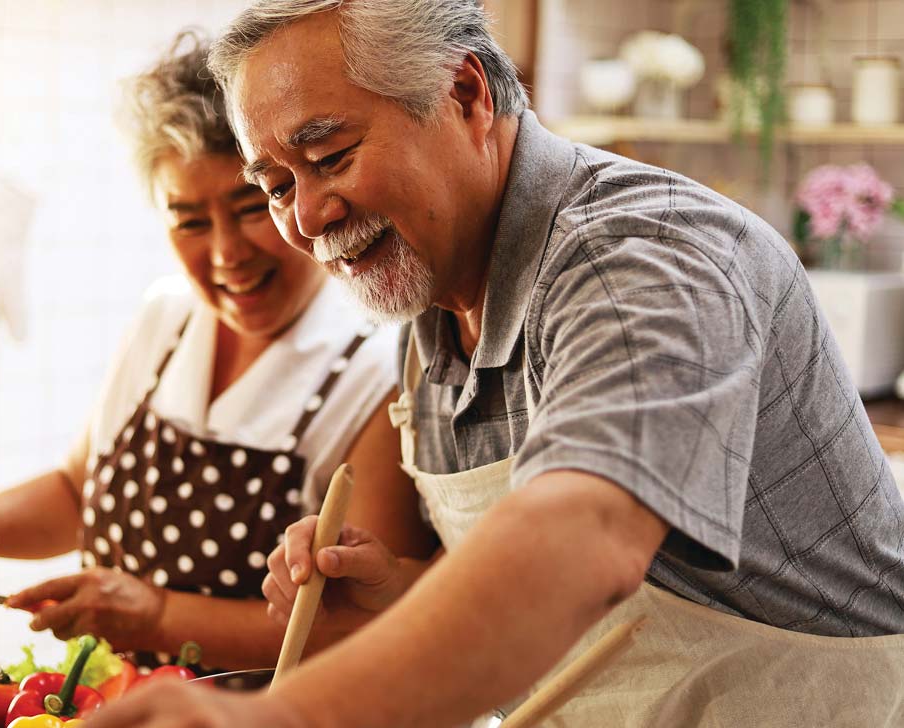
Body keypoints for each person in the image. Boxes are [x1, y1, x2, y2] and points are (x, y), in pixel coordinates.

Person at [90, 2, 904, 726]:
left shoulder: (645, 255)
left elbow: (581, 540)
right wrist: (401, 596)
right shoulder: (430, 299)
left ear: (468, 95)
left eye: (331, 156)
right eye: (273, 184)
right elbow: (577, 635)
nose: (305, 218)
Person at [0, 30, 435, 673]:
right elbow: (75, 491)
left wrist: (155, 616)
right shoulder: (166, 320)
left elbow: (359, 632)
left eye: (251, 207)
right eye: (190, 221)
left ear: (293, 194)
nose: (227, 254)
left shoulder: (375, 376)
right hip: (107, 702)